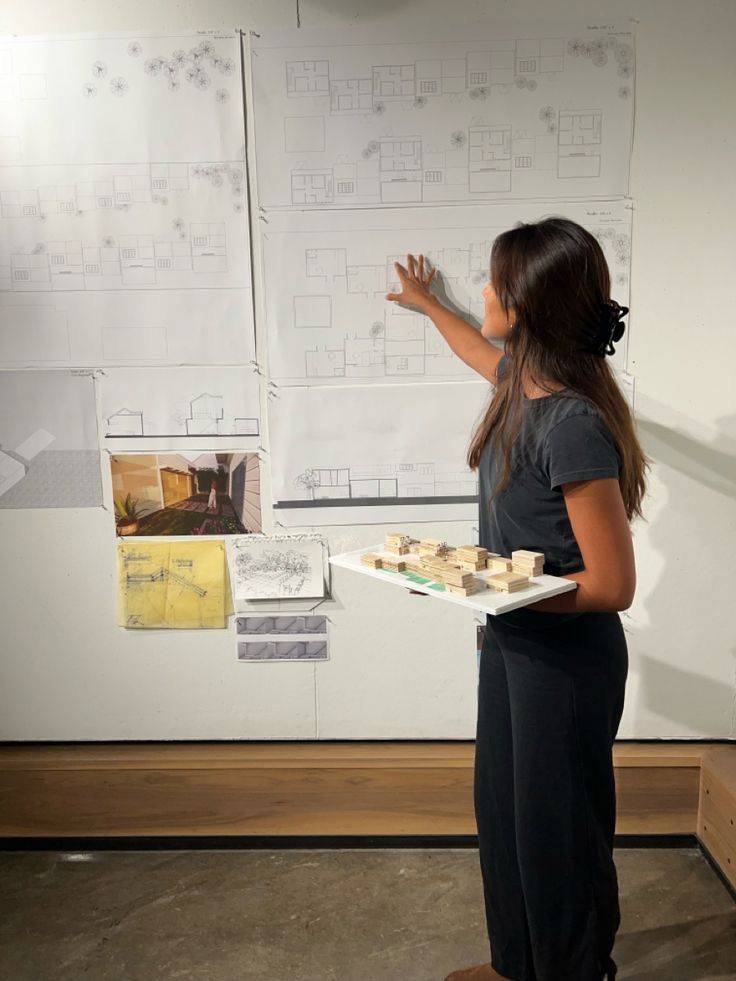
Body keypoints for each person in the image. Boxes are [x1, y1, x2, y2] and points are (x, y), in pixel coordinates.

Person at [385, 218, 649, 981]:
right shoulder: (516, 385)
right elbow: (478, 348)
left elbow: (611, 585)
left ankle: (571, 970)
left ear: (528, 304)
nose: (487, 292)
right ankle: (516, 965)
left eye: (496, 283)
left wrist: (481, 586)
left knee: (557, 830)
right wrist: (430, 303)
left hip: (565, 663)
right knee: (504, 816)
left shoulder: (569, 423)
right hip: (511, 643)